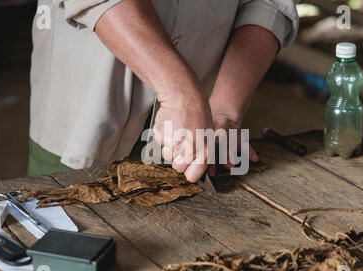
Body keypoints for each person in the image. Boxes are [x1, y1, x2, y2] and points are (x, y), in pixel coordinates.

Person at [29, 0, 298, 182]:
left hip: (202, 120)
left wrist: (224, 111)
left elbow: (268, 4)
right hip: (86, 109)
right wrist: (181, 97)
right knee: (68, 245)